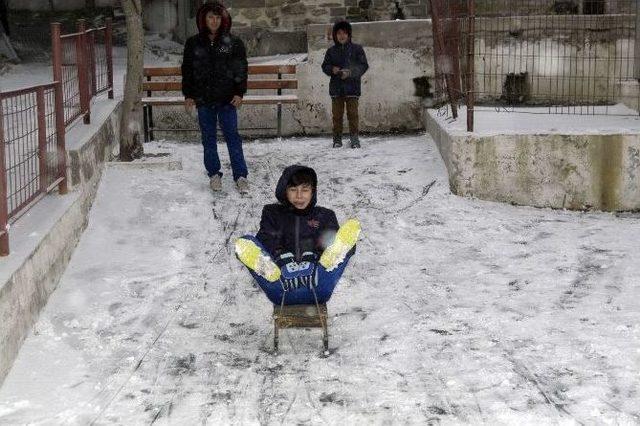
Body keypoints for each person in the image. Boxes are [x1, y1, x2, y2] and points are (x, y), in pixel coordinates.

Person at [234, 165, 360, 306]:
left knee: (343, 244)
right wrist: (281, 257)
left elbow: (329, 242)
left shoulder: (325, 216)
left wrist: (314, 257)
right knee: (247, 243)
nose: (299, 196)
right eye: (293, 190)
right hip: (281, 288)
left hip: (318, 285)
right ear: (284, 191)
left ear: (313, 192)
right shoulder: (272, 213)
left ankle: (323, 264)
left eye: (305, 190)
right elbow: (266, 238)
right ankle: (274, 272)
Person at [181, 1, 249, 194]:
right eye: (210, 17)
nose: (214, 21)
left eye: (218, 17)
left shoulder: (233, 43)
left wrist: (239, 92)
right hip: (204, 100)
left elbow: (241, 69)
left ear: (223, 19)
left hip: (227, 99)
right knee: (208, 138)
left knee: (233, 137)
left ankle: (241, 176)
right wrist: (189, 95)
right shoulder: (193, 43)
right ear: (203, 19)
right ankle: (214, 174)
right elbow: (187, 71)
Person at [321, 20, 369, 149]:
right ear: (335, 36)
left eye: (344, 33)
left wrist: (351, 72)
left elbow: (363, 65)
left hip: (352, 88)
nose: (342, 36)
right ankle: (337, 139)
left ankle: (354, 138)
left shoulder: (357, 49)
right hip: (336, 89)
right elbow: (324, 66)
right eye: (339, 33)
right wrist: (332, 69)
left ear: (349, 34)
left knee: (353, 115)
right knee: (337, 116)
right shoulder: (331, 51)